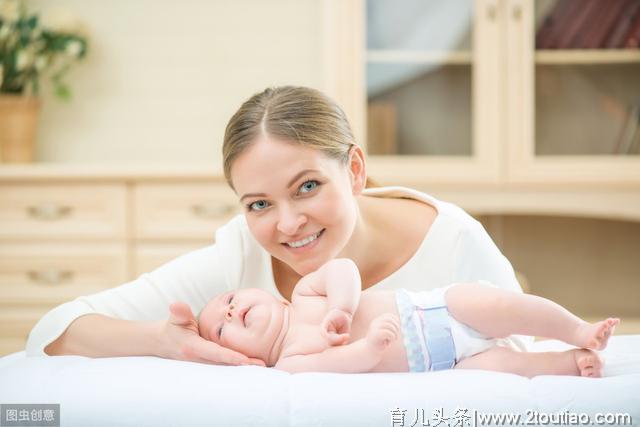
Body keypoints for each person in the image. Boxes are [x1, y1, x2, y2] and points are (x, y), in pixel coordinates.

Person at [28, 86, 529, 365]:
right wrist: (163, 340)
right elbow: (53, 333)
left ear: (354, 169)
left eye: (307, 186)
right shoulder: (240, 258)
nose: (288, 224)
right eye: (259, 204)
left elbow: (521, 361)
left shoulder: (451, 242)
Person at [198, 258, 619, 377]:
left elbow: (343, 268)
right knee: (507, 368)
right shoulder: (291, 361)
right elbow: (343, 364)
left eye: (230, 299)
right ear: (242, 358)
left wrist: (342, 308)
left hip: (440, 308)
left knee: (507, 307)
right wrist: (368, 347)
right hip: (448, 362)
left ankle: (576, 328)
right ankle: (567, 363)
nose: (232, 311)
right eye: (222, 327)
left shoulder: (304, 294)